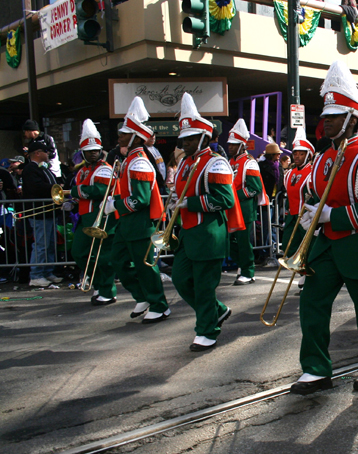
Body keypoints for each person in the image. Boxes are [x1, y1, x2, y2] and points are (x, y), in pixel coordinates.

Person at [289, 60, 358, 396]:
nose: (327, 121)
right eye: (326, 116)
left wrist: (330, 216)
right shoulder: (323, 158)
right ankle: (315, 368)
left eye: (335, 116)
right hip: (326, 247)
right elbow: (314, 195)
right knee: (311, 305)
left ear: (352, 118)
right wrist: (311, 216)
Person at [171, 93, 243, 351]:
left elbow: (225, 199)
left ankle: (207, 330)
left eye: (190, 138)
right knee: (180, 279)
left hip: (209, 233)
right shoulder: (184, 163)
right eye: (184, 139)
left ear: (203, 137)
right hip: (188, 233)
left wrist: (189, 203)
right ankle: (217, 310)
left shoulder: (216, 163)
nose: (185, 143)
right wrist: (174, 203)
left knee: (203, 286)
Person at [106, 96, 171, 323]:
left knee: (146, 267)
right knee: (118, 261)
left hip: (140, 223)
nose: (120, 136)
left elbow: (141, 199)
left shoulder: (140, 162)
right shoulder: (129, 159)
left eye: (125, 133)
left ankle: (160, 305)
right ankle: (142, 295)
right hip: (127, 223)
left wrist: (115, 204)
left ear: (135, 137)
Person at [70, 119, 118, 305]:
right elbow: (84, 192)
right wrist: (72, 202)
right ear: (83, 152)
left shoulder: (105, 169)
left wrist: (76, 192)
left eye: (96, 150)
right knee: (79, 252)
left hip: (103, 218)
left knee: (103, 256)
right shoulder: (82, 171)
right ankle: (98, 282)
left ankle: (107, 290)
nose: (93, 153)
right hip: (85, 218)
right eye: (89, 151)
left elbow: (99, 190)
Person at [227, 119, 268, 286]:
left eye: (233, 144)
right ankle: (243, 265)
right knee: (229, 242)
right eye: (229, 144)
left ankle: (248, 272)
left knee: (244, 243)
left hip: (244, 209)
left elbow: (254, 188)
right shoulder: (231, 161)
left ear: (241, 145)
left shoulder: (250, 162)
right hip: (231, 209)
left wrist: (234, 195)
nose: (230, 147)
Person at [22, 139, 62, 287]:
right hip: (40, 213)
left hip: (49, 212)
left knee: (50, 243)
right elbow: (36, 187)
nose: (48, 154)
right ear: (37, 153)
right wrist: (54, 188)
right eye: (45, 151)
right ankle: (36, 275)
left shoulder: (43, 168)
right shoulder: (30, 169)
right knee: (41, 244)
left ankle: (47, 271)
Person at [282, 127, 315, 289]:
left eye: (301, 153)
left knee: (308, 248)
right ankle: (303, 272)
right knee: (288, 246)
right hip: (292, 215)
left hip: (306, 217)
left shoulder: (312, 172)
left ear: (308, 155)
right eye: (295, 153)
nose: (297, 156)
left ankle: (309, 276)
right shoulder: (289, 173)